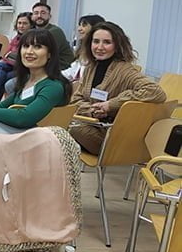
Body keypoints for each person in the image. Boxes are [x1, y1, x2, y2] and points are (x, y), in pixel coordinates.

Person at [69, 22, 166, 154]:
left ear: (117, 45)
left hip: (109, 135)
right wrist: (91, 110)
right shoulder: (90, 68)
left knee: (70, 130)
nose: (99, 47)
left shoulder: (124, 70)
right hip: (89, 123)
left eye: (107, 42)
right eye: (96, 41)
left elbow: (156, 92)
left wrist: (111, 104)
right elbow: (76, 100)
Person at [0, 28, 72, 139]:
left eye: (37, 47)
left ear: (49, 54)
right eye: (26, 46)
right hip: (11, 130)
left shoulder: (53, 86)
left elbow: (23, 118)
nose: (29, 51)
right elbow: (2, 105)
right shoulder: (26, 80)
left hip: (28, 140)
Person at [0, 12, 34, 105]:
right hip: (12, 65)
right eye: (19, 23)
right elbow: (6, 54)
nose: (21, 26)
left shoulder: (32, 38)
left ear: (31, 25)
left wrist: (10, 56)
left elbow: (17, 56)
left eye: (25, 23)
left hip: (24, 68)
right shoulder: (16, 38)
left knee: (6, 76)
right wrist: (10, 56)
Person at [61, 14, 105, 82]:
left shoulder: (98, 53)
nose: (79, 29)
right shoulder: (82, 49)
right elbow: (71, 72)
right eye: (79, 25)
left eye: (84, 25)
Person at [31, 2, 75, 70]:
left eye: (43, 13)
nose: (39, 16)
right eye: (36, 13)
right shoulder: (32, 32)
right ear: (32, 17)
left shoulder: (54, 31)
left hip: (61, 68)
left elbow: (44, 55)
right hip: (42, 65)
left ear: (49, 16)